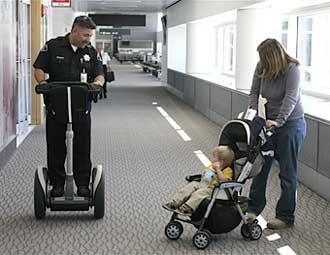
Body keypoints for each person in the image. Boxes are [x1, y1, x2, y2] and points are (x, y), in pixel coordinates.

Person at [33, 16, 104, 197]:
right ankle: (57, 184)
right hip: (57, 106)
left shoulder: (91, 52)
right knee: (56, 146)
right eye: (86, 35)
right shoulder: (53, 46)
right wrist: (42, 82)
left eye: (90, 36)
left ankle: (82, 184)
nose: (88, 39)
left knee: (82, 146)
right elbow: (39, 68)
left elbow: (99, 74)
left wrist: (97, 84)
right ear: (74, 31)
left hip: (81, 108)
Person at [246, 38, 306, 229]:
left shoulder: (292, 69)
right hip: (267, 124)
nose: (261, 63)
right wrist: (253, 117)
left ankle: (285, 216)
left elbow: (291, 98)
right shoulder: (261, 66)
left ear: (273, 58)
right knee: (260, 167)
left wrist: (278, 122)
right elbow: (254, 92)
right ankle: (253, 208)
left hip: (291, 125)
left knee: (287, 173)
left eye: (264, 59)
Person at [162, 146, 234, 216]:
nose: (212, 159)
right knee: (191, 185)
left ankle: (188, 207)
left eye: (214, 157)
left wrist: (218, 170)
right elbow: (205, 175)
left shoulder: (227, 170)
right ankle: (176, 202)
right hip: (204, 184)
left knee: (200, 193)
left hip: (214, 190)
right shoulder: (211, 166)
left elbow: (225, 181)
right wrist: (208, 172)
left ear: (220, 162)